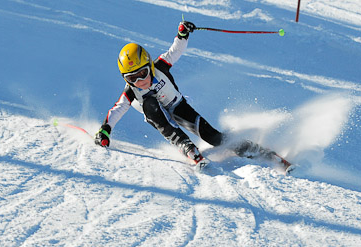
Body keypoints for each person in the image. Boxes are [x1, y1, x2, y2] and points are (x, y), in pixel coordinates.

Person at [94, 20, 291, 171]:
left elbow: (175, 50)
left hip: (177, 105)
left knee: (211, 135)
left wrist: (182, 34)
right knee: (150, 105)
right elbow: (118, 109)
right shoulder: (132, 91)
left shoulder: (160, 66)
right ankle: (186, 146)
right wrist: (105, 130)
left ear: (150, 66)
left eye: (143, 74)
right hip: (156, 113)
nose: (140, 82)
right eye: (132, 78)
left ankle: (256, 150)